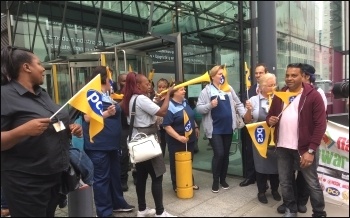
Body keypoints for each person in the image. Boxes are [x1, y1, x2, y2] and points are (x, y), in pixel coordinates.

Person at [1, 46, 83, 217]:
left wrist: (69, 129)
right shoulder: (4, 96)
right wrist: (23, 130)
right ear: (26, 67)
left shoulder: (41, 93)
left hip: (54, 176)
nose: (43, 68)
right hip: (26, 182)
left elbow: (52, 123)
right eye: (39, 63)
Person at [266, 63, 327, 217]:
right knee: (285, 181)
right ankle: (290, 209)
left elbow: (321, 125)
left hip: (304, 148)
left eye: (294, 75)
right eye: (287, 75)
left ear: (302, 77)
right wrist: (270, 120)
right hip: (282, 147)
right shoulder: (280, 94)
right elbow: (270, 117)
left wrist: (311, 150)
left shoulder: (313, 95)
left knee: (312, 183)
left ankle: (319, 213)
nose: (289, 78)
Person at [121, 72, 176, 217]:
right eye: (146, 84)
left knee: (142, 176)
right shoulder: (141, 99)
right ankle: (160, 212)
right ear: (137, 85)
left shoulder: (131, 98)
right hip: (148, 141)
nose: (149, 86)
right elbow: (162, 112)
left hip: (137, 141)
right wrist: (168, 94)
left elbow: (146, 112)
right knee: (157, 176)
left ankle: (142, 209)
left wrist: (157, 100)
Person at [82, 66, 134, 217]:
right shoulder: (90, 94)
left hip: (111, 144)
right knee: (102, 179)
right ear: (103, 78)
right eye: (110, 76)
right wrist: (106, 113)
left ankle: (118, 203)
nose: (111, 79)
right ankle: (104, 212)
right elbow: (87, 118)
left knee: (114, 175)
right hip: (99, 145)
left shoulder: (105, 94)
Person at [196, 65, 245, 193]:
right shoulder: (206, 91)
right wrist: (210, 105)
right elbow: (199, 108)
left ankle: (223, 179)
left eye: (223, 74)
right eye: (219, 74)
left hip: (228, 128)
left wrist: (245, 114)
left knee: (226, 155)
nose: (222, 76)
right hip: (214, 129)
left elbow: (238, 103)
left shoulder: (228, 89)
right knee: (219, 154)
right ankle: (215, 180)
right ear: (212, 76)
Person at [243, 73, 281, 204]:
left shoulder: (278, 98)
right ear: (262, 87)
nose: (273, 87)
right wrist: (248, 110)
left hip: (276, 137)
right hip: (260, 137)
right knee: (261, 166)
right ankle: (261, 191)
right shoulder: (253, 100)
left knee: (276, 166)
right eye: (270, 85)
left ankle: (275, 190)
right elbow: (247, 120)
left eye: (274, 84)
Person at [162, 82, 200, 192]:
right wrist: (179, 137)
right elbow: (166, 126)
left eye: (184, 89)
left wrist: (196, 126)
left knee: (188, 161)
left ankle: (189, 181)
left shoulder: (185, 102)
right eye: (181, 90)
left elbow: (190, 117)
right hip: (177, 141)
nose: (184, 91)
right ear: (174, 92)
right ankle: (177, 184)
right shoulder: (170, 106)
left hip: (190, 138)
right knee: (176, 163)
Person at [240, 63, 268, 187]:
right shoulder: (249, 90)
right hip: (251, 127)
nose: (257, 75)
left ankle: (265, 178)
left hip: (267, 129)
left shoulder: (271, 88)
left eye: (260, 73)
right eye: (256, 73)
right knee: (250, 152)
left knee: (265, 153)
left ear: (265, 73)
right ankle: (251, 176)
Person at [115, 73, 130, 192]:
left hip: (133, 127)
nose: (126, 83)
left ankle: (136, 175)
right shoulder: (115, 95)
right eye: (123, 81)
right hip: (122, 128)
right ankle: (123, 178)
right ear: (119, 82)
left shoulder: (135, 94)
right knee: (123, 155)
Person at [153, 78, 170, 157]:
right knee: (161, 145)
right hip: (159, 127)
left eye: (164, 87)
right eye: (159, 87)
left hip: (168, 125)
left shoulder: (169, 98)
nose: (161, 89)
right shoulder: (154, 98)